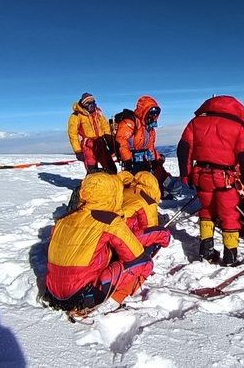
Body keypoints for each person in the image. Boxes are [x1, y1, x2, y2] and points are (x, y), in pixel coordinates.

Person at [43, 173, 170, 319]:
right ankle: (111, 301)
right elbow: (134, 254)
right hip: (85, 294)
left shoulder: (63, 219)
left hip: (53, 292)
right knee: (145, 263)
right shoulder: (109, 220)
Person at [177, 95, 244, 266]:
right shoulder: (239, 126)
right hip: (225, 178)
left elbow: (184, 149)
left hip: (201, 175)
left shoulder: (195, 122)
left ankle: (206, 251)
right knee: (229, 215)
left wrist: (186, 174)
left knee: (206, 210)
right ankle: (230, 256)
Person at [116, 95, 170, 184]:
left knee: (154, 173)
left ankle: (162, 188)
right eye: (151, 113)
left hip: (145, 158)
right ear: (144, 111)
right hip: (132, 160)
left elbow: (150, 147)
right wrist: (127, 159)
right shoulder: (130, 122)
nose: (153, 116)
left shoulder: (149, 128)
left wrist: (157, 159)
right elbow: (121, 140)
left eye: (155, 113)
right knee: (136, 182)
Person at [67, 93, 117, 173]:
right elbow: (72, 134)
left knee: (111, 168)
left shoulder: (98, 113)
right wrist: (78, 151)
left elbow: (106, 127)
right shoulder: (76, 115)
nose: (92, 104)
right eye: (89, 103)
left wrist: (110, 143)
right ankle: (91, 184)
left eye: (93, 102)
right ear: (84, 104)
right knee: (92, 170)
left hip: (101, 143)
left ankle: (111, 184)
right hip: (88, 146)